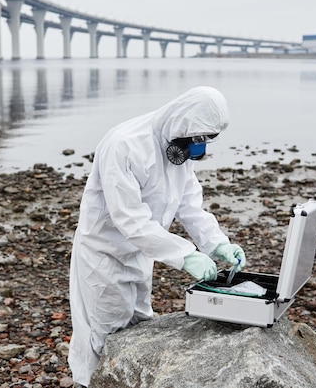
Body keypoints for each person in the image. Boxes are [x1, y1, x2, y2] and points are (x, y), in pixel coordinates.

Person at [68, 86, 247, 387]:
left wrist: (217, 242)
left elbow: (190, 205)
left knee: (138, 326)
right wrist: (185, 254)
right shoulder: (124, 145)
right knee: (103, 335)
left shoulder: (181, 151)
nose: (198, 147)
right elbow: (130, 219)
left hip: (142, 253)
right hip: (104, 256)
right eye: (196, 140)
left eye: (206, 140)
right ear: (182, 125)